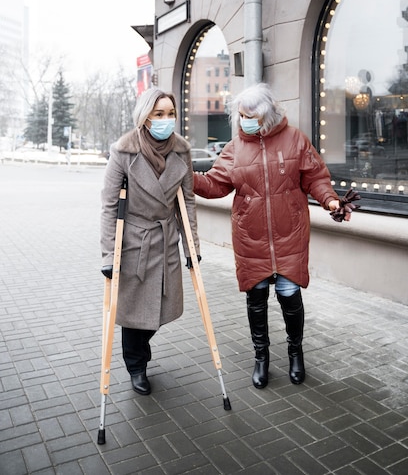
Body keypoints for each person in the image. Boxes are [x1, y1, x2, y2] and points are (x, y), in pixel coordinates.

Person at [193, 83, 350, 389]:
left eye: (249, 115)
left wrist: (331, 200)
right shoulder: (235, 148)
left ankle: (295, 353)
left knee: (290, 296)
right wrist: (187, 176)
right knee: (257, 299)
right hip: (250, 238)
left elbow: (316, 178)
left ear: (265, 115)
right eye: (240, 115)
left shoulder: (295, 140)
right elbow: (214, 185)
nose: (243, 121)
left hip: (289, 234)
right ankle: (261, 358)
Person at [100, 88, 200, 396]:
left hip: (166, 238)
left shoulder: (181, 150)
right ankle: (137, 366)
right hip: (134, 243)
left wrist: (192, 247)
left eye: (170, 113)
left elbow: (188, 201)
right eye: (159, 114)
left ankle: (139, 353)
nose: (166, 120)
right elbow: (107, 205)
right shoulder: (124, 150)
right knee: (134, 312)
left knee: (158, 310)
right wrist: (107, 256)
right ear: (145, 117)